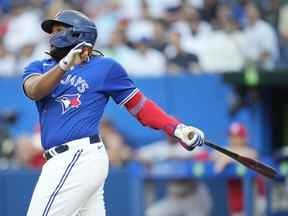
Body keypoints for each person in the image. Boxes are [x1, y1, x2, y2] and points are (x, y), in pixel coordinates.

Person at [22, 10, 205, 216]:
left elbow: (141, 106)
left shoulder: (104, 68)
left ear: (78, 35)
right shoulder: (40, 66)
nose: (52, 36)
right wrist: (65, 65)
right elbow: (34, 90)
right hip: (63, 160)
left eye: (58, 30)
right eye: (51, 31)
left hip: (79, 155)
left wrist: (177, 129)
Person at [213, 122, 266, 216]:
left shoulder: (251, 151)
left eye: (237, 137)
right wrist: (223, 158)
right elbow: (213, 155)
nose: (234, 140)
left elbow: (248, 155)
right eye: (231, 136)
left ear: (244, 138)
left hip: (255, 200)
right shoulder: (225, 150)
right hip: (236, 202)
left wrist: (226, 159)